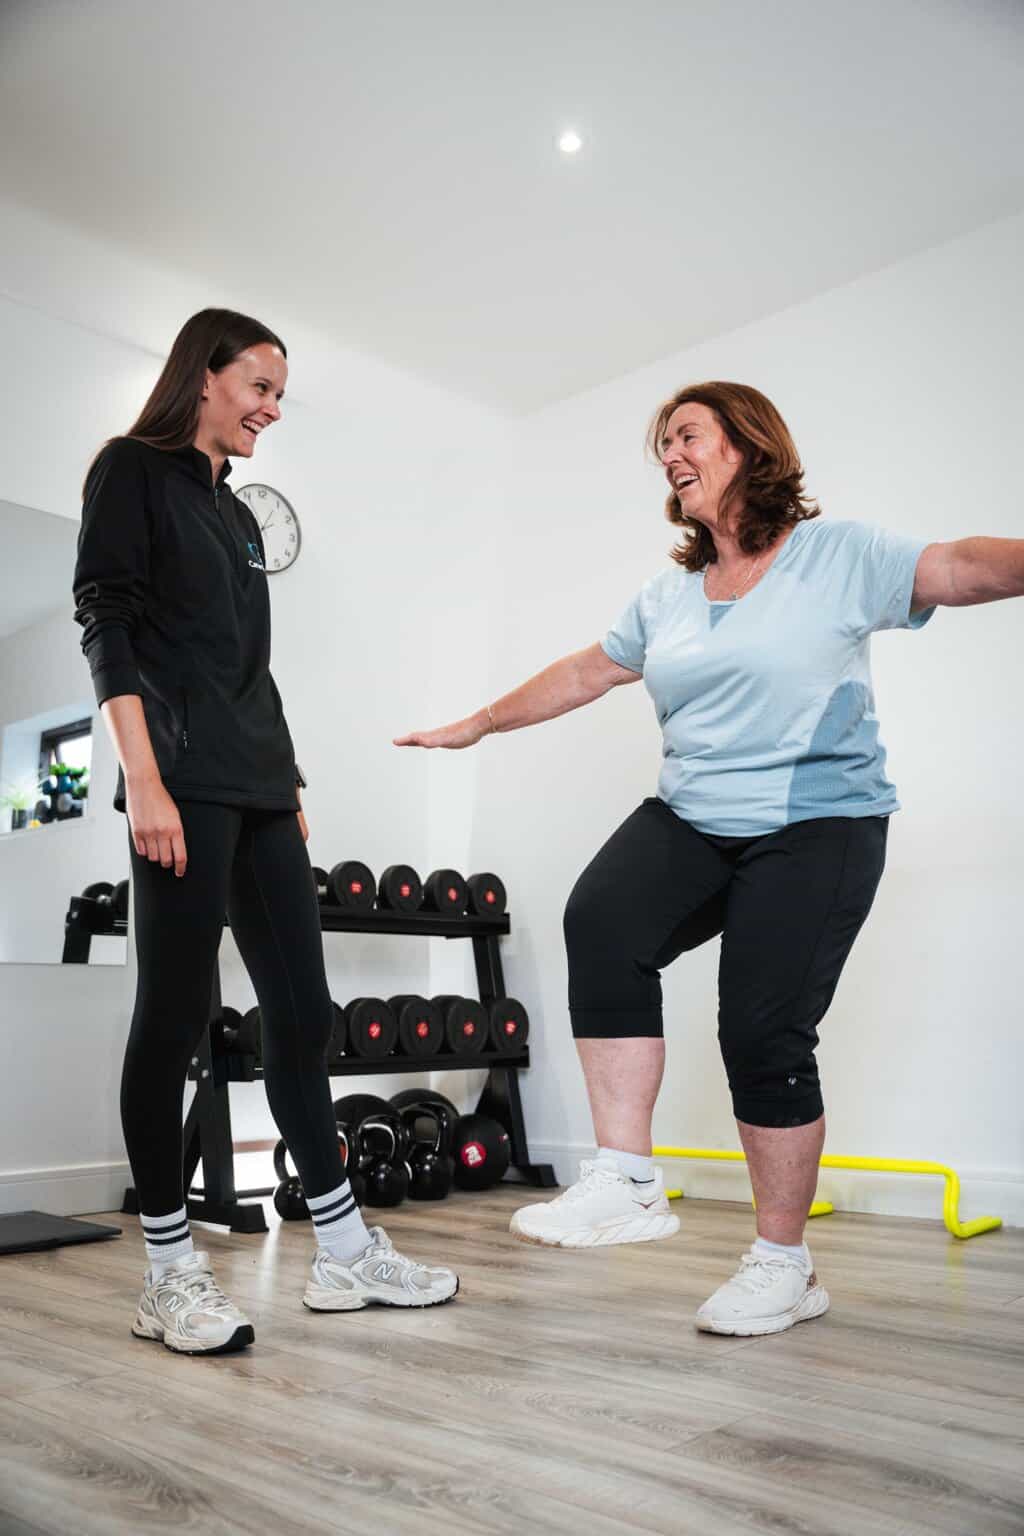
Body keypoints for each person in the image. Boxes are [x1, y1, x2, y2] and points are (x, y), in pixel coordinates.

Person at [396, 379, 1024, 1336]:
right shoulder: (670, 596)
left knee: (762, 1032)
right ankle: (626, 1177)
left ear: (748, 445)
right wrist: (479, 723)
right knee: (602, 919)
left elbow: (959, 567)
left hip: (818, 823)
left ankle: (783, 1265)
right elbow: (587, 670)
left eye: (686, 435)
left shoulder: (835, 555)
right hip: (697, 817)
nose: (670, 456)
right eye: (663, 444)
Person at [74, 309, 457, 1355]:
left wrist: (286, 781)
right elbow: (107, 623)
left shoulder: (236, 513)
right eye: (259, 386)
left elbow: (248, 666)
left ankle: (343, 1251)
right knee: (175, 1014)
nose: (272, 409)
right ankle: (168, 1272)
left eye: (280, 393)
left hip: (259, 787)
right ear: (202, 375)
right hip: (180, 783)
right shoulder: (131, 472)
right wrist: (143, 780)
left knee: (302, 1010)